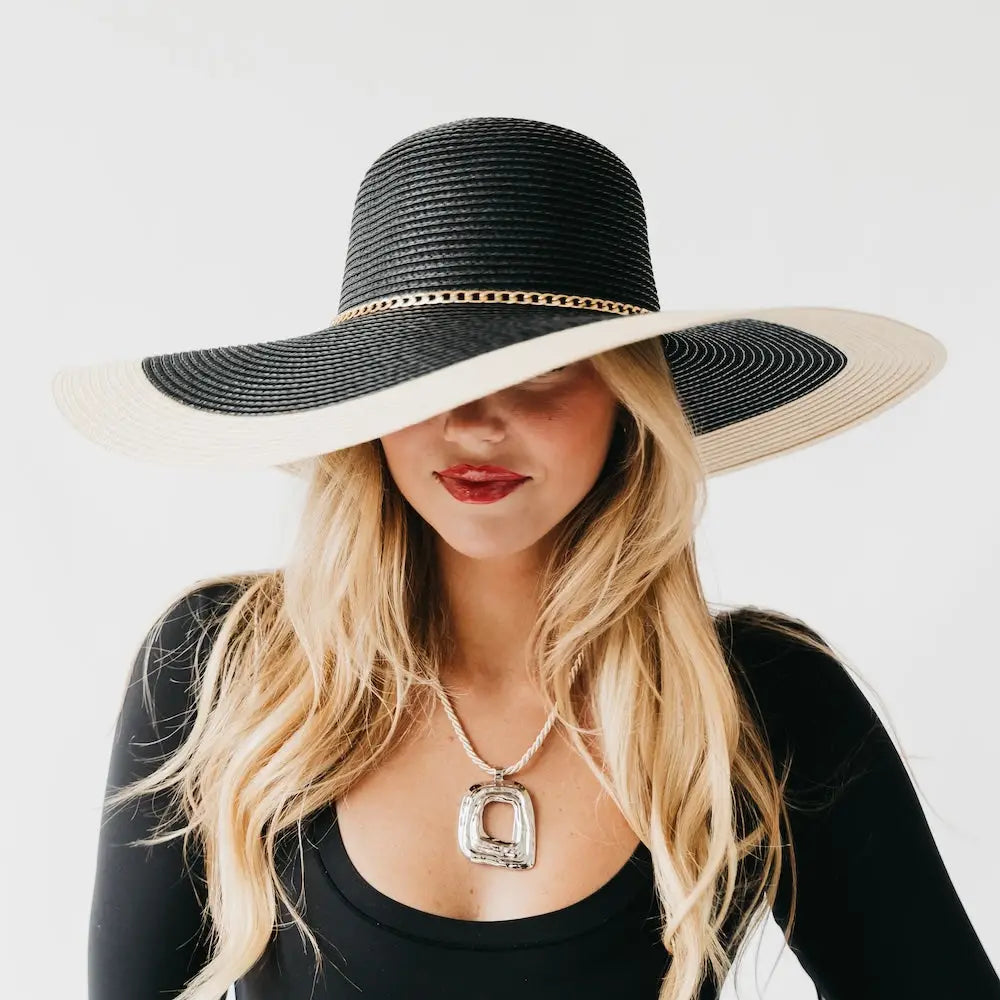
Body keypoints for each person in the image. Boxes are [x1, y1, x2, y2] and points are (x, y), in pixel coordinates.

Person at [54, 117, 999, 999]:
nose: (475, 425)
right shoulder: (227, 669)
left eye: (541, 370)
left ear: (629, 400)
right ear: (367, 411)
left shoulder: (764, 699)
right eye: (425, 375)